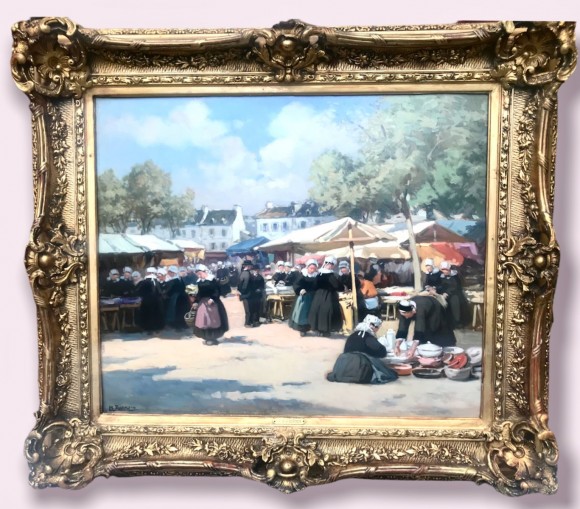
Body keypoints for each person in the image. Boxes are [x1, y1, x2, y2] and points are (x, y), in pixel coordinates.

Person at [191, 264, 229, 345]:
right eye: (197, 274)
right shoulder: (199, 282)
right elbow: (199, 293)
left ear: (204, 272)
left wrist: (212, 298)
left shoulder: (212, 280)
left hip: (213, 302)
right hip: (203, 303)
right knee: (203, 321)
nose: (199, 275)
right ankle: (207, 337)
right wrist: (196, 302)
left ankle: (213, 338)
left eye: (200, 273)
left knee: (213, 321)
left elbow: (217, 291)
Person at [308, 255, 343, 337]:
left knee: (323, 311)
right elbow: (337, 286)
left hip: (322, 295)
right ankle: (323, 330)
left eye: (331, 264)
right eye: (328, 263)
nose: (329, 265)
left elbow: (314, 285)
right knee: (325, 311)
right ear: (325, 264)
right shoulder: (330, 275)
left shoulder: (321, 274)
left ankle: (323, 330)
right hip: (327, 296)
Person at [288, 259, 318, 336]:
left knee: (312, 312)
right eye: (311, 268)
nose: (312, 270)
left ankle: (312, 327)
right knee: (302, 313)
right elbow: (296, 284)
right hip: (304, 297)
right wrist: (300, 289)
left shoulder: (316, 276)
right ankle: (302, 329)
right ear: (307, 267)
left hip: (313, 296)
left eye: (314, 268)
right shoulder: (302, 275)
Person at [437, 261, 471, 328]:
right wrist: (440, 291)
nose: (444, 271)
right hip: (445, 294)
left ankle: (457, 322)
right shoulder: (441, 276)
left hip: (455, 294)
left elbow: (455, 287)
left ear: (449, 269)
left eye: (445, 270)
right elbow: (441, 286)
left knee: (454, 302)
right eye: (443, 270)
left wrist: (447, 293)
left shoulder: (455, 276)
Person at [135, 267, 165, 334]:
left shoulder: (144, 281)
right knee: (155, 315)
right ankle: (155, 328)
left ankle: (150, 329)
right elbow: (160, 291)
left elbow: (138, 291)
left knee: (149, 315)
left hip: (148, 301)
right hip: (155, 301)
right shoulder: (155, 281)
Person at [163, 265, 189, 332]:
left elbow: (168, 290)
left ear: (173, 272)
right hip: (182, 297)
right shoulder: (179, 279)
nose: (168, 273)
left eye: (170, 272)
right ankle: (181, 324)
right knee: (181, 312)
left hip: (176, 298)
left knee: (176, 312)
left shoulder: (173, 280)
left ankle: (177, 325)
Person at [238, 259, 260, 327]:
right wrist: (244, 292)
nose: (251, 267)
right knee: (248, 310)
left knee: (249, 309)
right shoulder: (246, 273)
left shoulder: (243, 273)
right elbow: (245, 285)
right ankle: (247, 323)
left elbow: (239, 285)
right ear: (247, 266)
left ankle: (250, 322)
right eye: (250, 266)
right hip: (247, 294)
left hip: (246, 294)